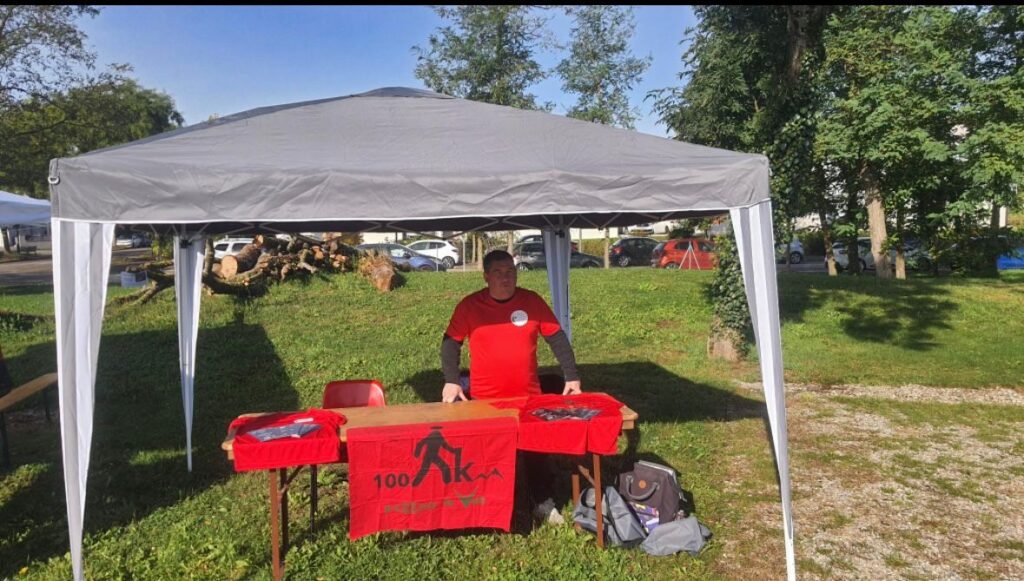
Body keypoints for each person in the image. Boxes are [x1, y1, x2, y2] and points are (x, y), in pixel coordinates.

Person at [439, 249, 581, 525]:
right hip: (484, 401)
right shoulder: (469, 306)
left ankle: (542, 501)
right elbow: (450, 344)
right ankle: (490, 505)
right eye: (498, 273)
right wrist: (452, 380)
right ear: (486, 276)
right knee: (490, 456)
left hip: (528, 397)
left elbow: (557, 339)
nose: (506, 278)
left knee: (536, 454)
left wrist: (572, 376)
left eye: (510, 272)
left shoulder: (532, 301)